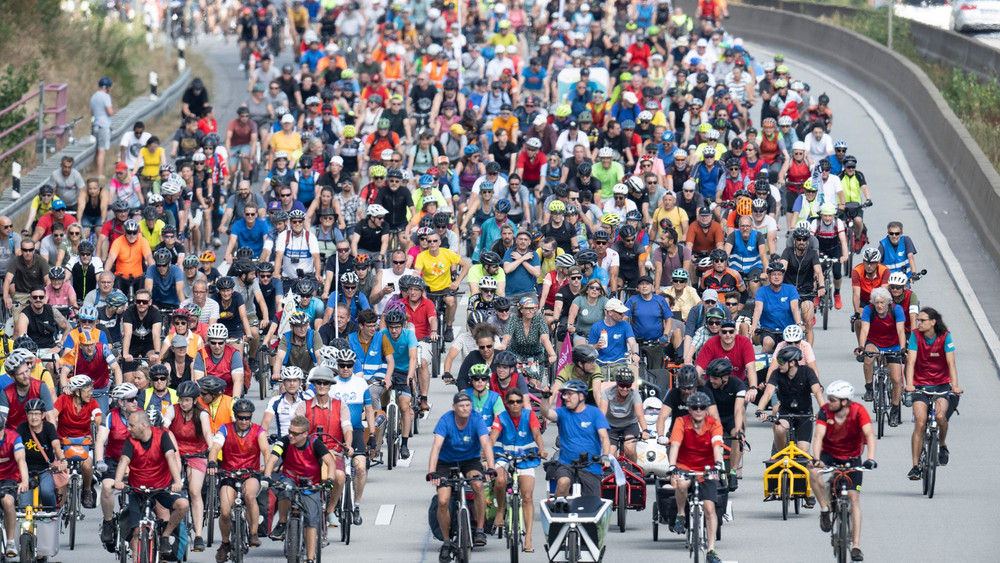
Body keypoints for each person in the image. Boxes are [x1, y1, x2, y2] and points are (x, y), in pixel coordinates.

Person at [807, 380, 877, 563]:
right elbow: (818, 436)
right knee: (812, 471)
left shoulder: (859, 411)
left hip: (852, 457)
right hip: (829, 454)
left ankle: (856, 546)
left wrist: (870, 458)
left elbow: (869, 435)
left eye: (833, 400)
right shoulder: (825, 411)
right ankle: (824, 509)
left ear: (845, 401)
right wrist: (816, 459)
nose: (829, 402)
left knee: (854, 499)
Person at [427, 391, 497, 557]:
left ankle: (479, 530)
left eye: (467, 406)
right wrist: (432, 472)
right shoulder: (446, 420)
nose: (465, 409)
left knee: (478, 485)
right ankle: (446, 541)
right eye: (461, 406)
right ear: (454, 407)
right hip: (446, 462)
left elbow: (486, 444)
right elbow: (436, 447)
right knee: (443, 500)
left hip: (469, 460)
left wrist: (491, 468)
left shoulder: (476, 419)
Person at [112, 409, 189, 559]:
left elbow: (171, 458)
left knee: (183, 504)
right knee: (136, 532)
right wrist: (118, 481)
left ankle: (165, 535)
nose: (128, 429)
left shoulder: (162, 437)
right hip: (137, 490)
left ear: (143, 425)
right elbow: (124, 460)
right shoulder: (131, 440)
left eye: (131, 425)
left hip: (161, 487)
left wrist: (177, 482)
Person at [755, 346, 826, 503]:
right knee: (779, 428)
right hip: (786, 412)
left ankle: (808, 491)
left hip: (804, 414)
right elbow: (768, 392)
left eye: (782, 361)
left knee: (803, 450)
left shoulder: (807, 372)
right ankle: (782, 458)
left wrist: (824, 410)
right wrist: (760, 409)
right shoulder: (777, 374)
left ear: (792, 362)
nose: (779, 364)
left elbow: (817, 391)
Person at [263, 415, 338, 563]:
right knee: (284, 489)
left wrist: (330, 480)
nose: (291, 435)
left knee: (311, 520)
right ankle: (282, 523)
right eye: (290, 431)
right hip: (290, 477)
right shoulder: (284, 441)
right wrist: (267, 475)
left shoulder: (315, 443)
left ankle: (310, 558)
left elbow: (330, 462)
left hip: (311, 483)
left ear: (305, 434)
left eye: (295, 433)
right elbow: (272, 458)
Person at [664, 391, 725, 563]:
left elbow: (717, 446)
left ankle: (711, 550)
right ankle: (681, 515)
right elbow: (675, 445)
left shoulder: (714, 424)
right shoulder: (681, 422)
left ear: (706, 410)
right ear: (689, 409)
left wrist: (718, 465)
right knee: (682, 484)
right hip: (684, 464)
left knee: (709, 508)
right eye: (695, 407)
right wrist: (672, 466)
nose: (698, 410)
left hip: (707, 467)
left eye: (702, 407)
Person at [208, 397, 268, 561]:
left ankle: (253, 533)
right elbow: (215, 447)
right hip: (229, 474)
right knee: (225, 511)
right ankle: (225, 543)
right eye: (240, 417)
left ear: (251, 417)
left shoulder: (258, 431)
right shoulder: (225, 429)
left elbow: (265, 450)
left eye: (247, 418)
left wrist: (267, 467)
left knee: (250, 497)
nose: (243, 421)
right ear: (235, 416)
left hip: (250, 473)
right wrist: (212, 462)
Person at [904, 307, 961, 480]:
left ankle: (942, 444)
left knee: (941, 417)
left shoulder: (945, 336)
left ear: (933, 322)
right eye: (918, 320)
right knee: (920, 422)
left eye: (922, 320)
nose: (918, 323)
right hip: (920, 386)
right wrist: (910, 384)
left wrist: (955, 386)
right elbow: (911, 361)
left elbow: (951, 363)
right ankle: (915, 466)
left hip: (941, 385)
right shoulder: (915, 335)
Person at [322, 352, 376, 524]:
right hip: (335, 432)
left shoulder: (361, 384)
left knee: (360, 468)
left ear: (354, 366)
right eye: (342, 365)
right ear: (337, 365)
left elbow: (369, 410)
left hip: (356, 430)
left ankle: (357, 504)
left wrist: (372, 434)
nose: (345, 368)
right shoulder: (331, 384)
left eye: (349, 365)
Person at [489, 387, 545, 551]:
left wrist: (541, 450)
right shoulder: (501, 417)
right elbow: (493, 437)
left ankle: (528, 538)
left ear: (522, 403)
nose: (515, 404)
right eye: (511, 402)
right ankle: (501, 510)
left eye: (518, 401)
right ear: (506, 403)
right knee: (500, 480)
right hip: (503, 457)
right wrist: (487, 452)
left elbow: (536, 434)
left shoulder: (530, 415)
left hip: (525, 459)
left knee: (527, 497)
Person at [162, 380, 211, 552]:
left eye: (187, 400)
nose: (184, 403)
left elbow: (207, 433)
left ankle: (198, 535)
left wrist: (211, 450)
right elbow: (164, 426)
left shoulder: (202, 413)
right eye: (182, 399)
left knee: (195, 492)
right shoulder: (172, 409)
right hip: (175, 452)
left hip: (197, 453)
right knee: (170, 488)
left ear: (195, 400)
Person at [538, 379, 610, 496]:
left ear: (581, 396)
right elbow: (546, 413)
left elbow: (604, 437)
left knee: (593, 502)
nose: (566, 397)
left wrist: (605, 456)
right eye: (564, 394)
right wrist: (545, 397)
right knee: (563, 482)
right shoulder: (562, 412)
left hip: (591, 466)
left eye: (570, 394)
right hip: (566, 464)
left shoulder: (595, 413)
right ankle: (559, 504)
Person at [95, 382, 140, 544]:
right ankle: (108, 523)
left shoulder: (142, 415)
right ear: (121, 402)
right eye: (131, 399)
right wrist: (99, 461)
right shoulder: (110, 416)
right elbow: (100, 440)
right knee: (107, 487)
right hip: (114, 460)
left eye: (136, 398)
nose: (135, 402)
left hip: (138, 461)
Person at [855, 287, 906, 421]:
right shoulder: (869, 310)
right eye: (877, 303)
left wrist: (902, 348)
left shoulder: (896, 310)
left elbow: (901, 331)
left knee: (896, 380)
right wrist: (861, 346)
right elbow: (864, 330)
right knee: (868, 358)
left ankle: (894, 410)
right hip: (875, 343)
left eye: (882, 302)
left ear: (888, 302)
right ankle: (869, 388)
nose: (879, 306)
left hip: (893, 345)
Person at [53, 374, 102, 507]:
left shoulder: (92, 402)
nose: (91, 393)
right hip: (63, 443)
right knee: (60, 469)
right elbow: (53, 415)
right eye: (88, 390)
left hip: (84, 443)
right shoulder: (63, 399)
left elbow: (98, 417)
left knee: (87, 465)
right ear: (77, 392)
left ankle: (87, 490)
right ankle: (59, 503)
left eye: (91, 390)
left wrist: (98, 426)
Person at [15, 398, 63, 509]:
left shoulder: (49, 427)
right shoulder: (22, 428)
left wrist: (62, 459)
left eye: (37, 414)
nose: (34, 417)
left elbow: (56, 446)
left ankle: (52, 513)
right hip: (26, 471)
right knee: (24, 505)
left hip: (45, 469)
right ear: (26, 415)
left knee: (46, 492)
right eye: (31, 414)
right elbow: (15, 447)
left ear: (43, 415)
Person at [383, 308, 418, 458]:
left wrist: (410, 376)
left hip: (404, 372)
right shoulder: (382, 335)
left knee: (404, 406)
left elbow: (413, 358)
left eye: (397, 327)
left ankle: (404, 444)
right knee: (382, 399)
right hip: (387, 371)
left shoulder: (409, 335)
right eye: (391, 327)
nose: (394, 331)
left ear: (403, 325)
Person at [750, 262, 801, 353]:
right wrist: (754, 324)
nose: (776, 277)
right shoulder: (762, 291)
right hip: (768, 330)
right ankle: (763, 362)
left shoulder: (791, 289)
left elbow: (795, 308)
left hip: (787, 330)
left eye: (779, 274)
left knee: (793, 349)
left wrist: (798, 324)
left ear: (783, 276)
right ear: (769, 276)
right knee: (768, 342)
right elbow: (758, 309)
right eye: (773, 274)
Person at [625, 275, 674, 370]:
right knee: (635, 371)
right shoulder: (632, 300)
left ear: (652, 286)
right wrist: (628, 337)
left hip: (655, 343)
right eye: (641, 284)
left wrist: (665, 335)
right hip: (637, 344)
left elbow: (668, 320)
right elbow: (624, 319)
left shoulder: (660, 300)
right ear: (638, 287)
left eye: (647, 284)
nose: (644, 286)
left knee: (657, 372)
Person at [599, 367, 649, 462]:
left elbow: (640, 416)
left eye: (628, 386)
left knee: (629, 448)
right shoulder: (607, 393)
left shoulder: (635, 394)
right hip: (611, 426)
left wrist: (645, 430)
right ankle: (613, 470)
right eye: (622, 385)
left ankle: (633, 468)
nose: (625, 389)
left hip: (630, 425)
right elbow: (601, 414)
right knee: (610, 453)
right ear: (617, 384)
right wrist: (598, 429)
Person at [0, 407, 29, 558]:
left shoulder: (14, 438)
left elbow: (21, 460)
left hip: (9, 478)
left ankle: (10, 541)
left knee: (8, 502)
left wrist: (24, 481)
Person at [588, 298, 640, 379]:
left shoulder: (625, 325)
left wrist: (635, 354)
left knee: (624, 380)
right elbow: (589, 349)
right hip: (601, 364)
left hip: (620, 364)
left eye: (623, 313)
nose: (623, 315)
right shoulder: (596, 327)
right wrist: (597, 346)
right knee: (597, 382)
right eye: (620, 313)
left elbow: (632, 342)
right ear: (610, 312)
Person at [192, 324, 245, 398]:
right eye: (213, 343)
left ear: (225, 342)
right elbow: (198, 381)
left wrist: (235, 398)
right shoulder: (201, 354)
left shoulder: (234, 354)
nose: (217, 346)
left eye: (220, 343)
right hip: (208, 398)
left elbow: (238, 380)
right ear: (208, 342)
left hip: (228, 396)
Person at [261, 367, 308, 440]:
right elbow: (265, 423)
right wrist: (265, 437)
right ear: (283, 382)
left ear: (300, 382)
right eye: (288, 380)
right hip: (282, 442)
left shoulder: (307, 400)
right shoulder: (275, 401)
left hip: (302, 442)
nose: (291, 384)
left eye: (295, 380)